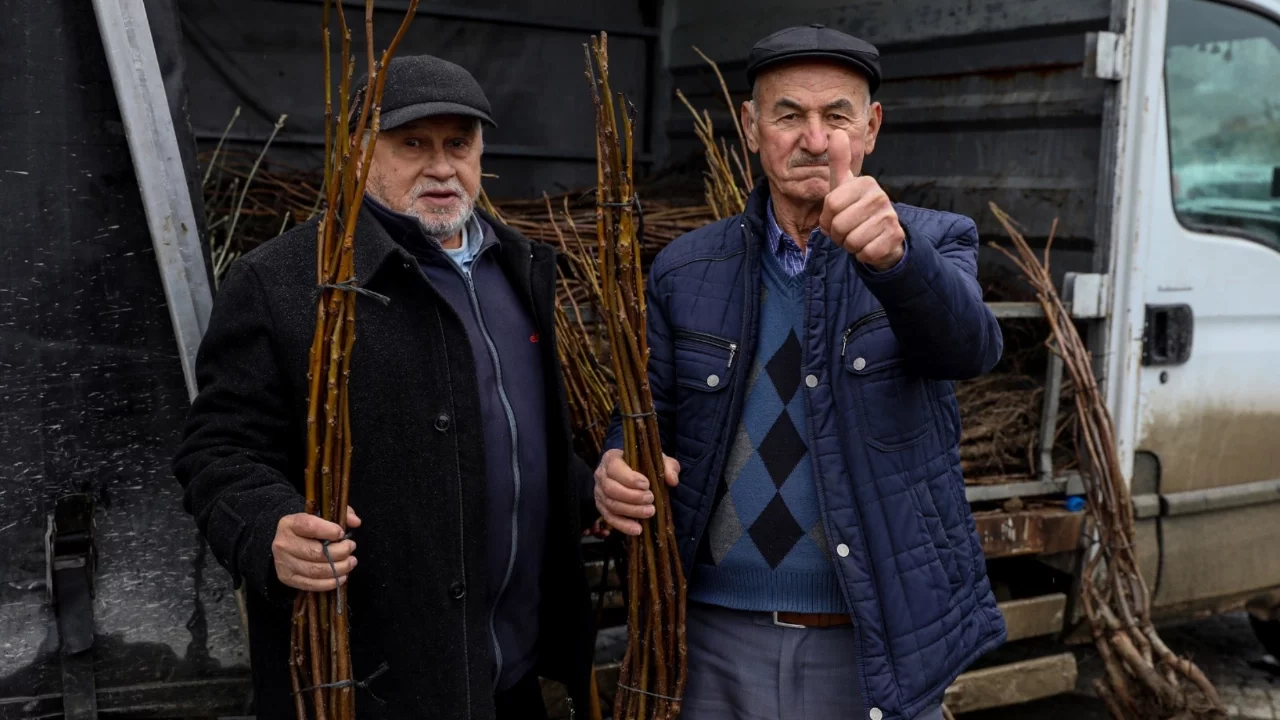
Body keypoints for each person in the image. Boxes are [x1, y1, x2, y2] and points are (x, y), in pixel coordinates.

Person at [594, 25, 1007, 720]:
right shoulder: (686, 268)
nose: (815, 139)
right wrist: (613, 467)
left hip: (869, 643)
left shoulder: (933, 240)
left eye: (837, 116)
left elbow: (970, 349)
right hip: (712, 641)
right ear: (752, 127)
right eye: (789, 115)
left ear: (871, 128)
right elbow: (645, 415)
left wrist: (897, 265)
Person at [175, 55, 597, 720]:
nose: (440, 166)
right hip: (375, 685)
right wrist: (266, 527)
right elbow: (217, 453)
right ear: (357, 152)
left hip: (513, 677)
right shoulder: (283, 283)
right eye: (412, 144)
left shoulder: (519, 267)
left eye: (458, 144)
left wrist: (595, 485)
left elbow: (516, 441)